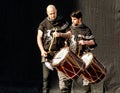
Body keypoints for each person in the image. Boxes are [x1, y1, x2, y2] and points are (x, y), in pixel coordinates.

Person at [37, 4, 72, 93]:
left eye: (54, 13)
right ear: (47, 13)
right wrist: (42, 50)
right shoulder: (43, 24)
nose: (53, 15)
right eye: (51, 14)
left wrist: (60, 34)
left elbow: (70, 34)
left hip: (60, 54)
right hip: (47, 54)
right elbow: (39, 37)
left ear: (56, 11)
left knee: (63, 79)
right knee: (46, 78)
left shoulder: (62, 21)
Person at [68, 10, 97, 93]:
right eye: (72, 19)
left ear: (79, 19)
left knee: (86, 79)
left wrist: (85, 42)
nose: (72, 21)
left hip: (83, 57)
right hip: (72, 57)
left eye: (74, 19)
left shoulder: (86, 30)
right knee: (68, 77)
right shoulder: (70, 29)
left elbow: (93, 42)